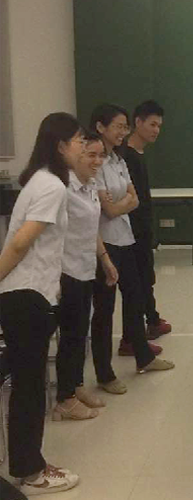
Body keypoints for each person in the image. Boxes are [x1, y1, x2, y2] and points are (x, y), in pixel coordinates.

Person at [0, 112, 83, 495]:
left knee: (27, 385)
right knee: (31, 388)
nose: (83, 147)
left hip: (27, 295)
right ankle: (31, 471)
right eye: (79, 141)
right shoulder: (51, 186)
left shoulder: (41, 180)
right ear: (60, 145)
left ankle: (25, 464)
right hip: (27, 297)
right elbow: (21, 243)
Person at [90, 103, 174, 395]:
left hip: (125, 239)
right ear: (100, 127)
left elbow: (132, 199)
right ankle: (105, 374)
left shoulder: (119, 158)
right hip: (104, 244)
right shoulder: (96, 161)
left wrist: (120, 205)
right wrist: (120, 205)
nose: (122, 132)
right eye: (118, 126)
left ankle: (143, 356)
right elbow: (109, 209)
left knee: (136, 297)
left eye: (125, 127)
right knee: (104, 310)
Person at [53, 132, 119, 420]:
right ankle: (64, 399)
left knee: (81, 332)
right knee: (70, 334)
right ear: (75, 155)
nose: (97, 161)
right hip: (65, 271)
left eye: (100, 155)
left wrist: (105, 259)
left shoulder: (89, 185)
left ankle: (76, 386)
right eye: (90, 154)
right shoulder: (63, 189)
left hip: (85, 267)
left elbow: (92, 229)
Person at [120, 100, 171, 343]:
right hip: (131, 230)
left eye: (159, 126)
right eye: (152, 124)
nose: (156, 130)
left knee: (146, 278)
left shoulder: (139, 154)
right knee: (137, 282)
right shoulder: (125, 156)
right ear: (137, 122)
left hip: (142, 228)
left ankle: (152, 319)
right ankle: (137, 334)